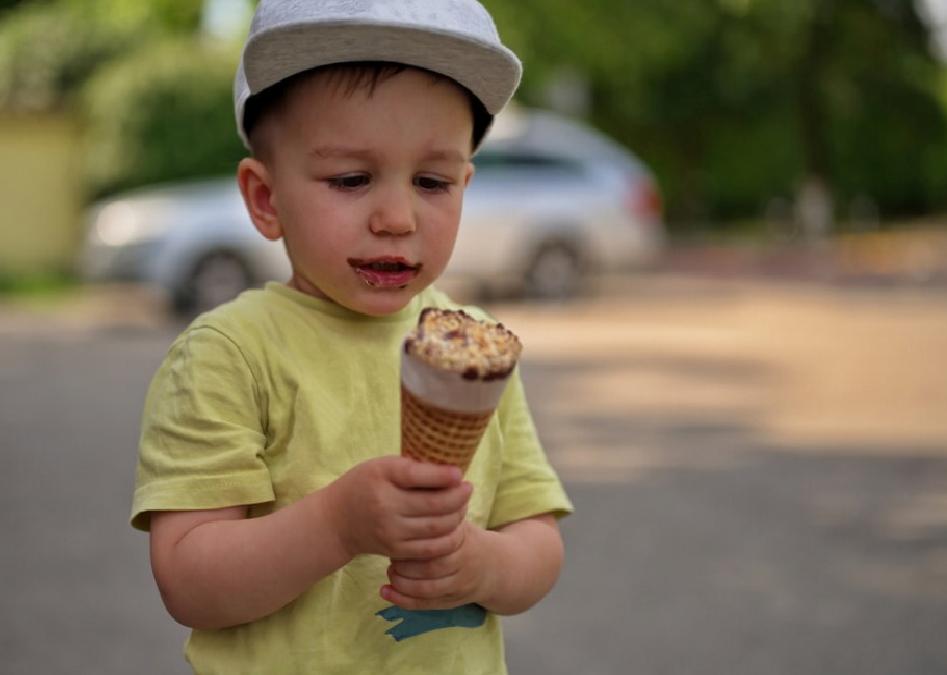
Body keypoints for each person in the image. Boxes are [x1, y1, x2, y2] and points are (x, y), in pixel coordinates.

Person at [130, 1, 573, 672]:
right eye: (351, 179)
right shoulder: (228, 353)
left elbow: (536, 537)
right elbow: (189, 580)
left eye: (432, 181)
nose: (396, 217)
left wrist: (482, 563)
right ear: (265, 199)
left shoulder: (471, 349)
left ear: (466, 183)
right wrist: (336, 525)